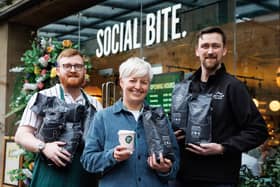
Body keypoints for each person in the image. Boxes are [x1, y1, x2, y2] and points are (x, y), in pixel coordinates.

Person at [171, 26, 268, 187]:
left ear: (224, 50)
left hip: (219, 180)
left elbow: (258, 131)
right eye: (205, 46)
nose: (210, 51)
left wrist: (223, 148)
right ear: (197, 51)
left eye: (215, 46)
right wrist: (171, 135)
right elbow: (174, 123)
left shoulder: (233, 87)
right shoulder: (184, 87)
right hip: (181, 178)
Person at [81, 57, 180, 187]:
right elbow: (87, 161)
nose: (138, 86)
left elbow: (176, 162)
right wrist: (112, 156)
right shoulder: (103, 117)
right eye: (132, 80)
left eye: (144, 82)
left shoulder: (159, 118)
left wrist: (166, 169)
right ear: (121, 82)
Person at [15, 48, 103, 187]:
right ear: (58, 70)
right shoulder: (42, 97)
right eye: (67, 66)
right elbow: (21, 135)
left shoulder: (95, 104)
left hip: (84, 178)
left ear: (84, 71)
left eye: (78, 66)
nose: (73, 70)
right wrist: (44, 147)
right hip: (49, 177)